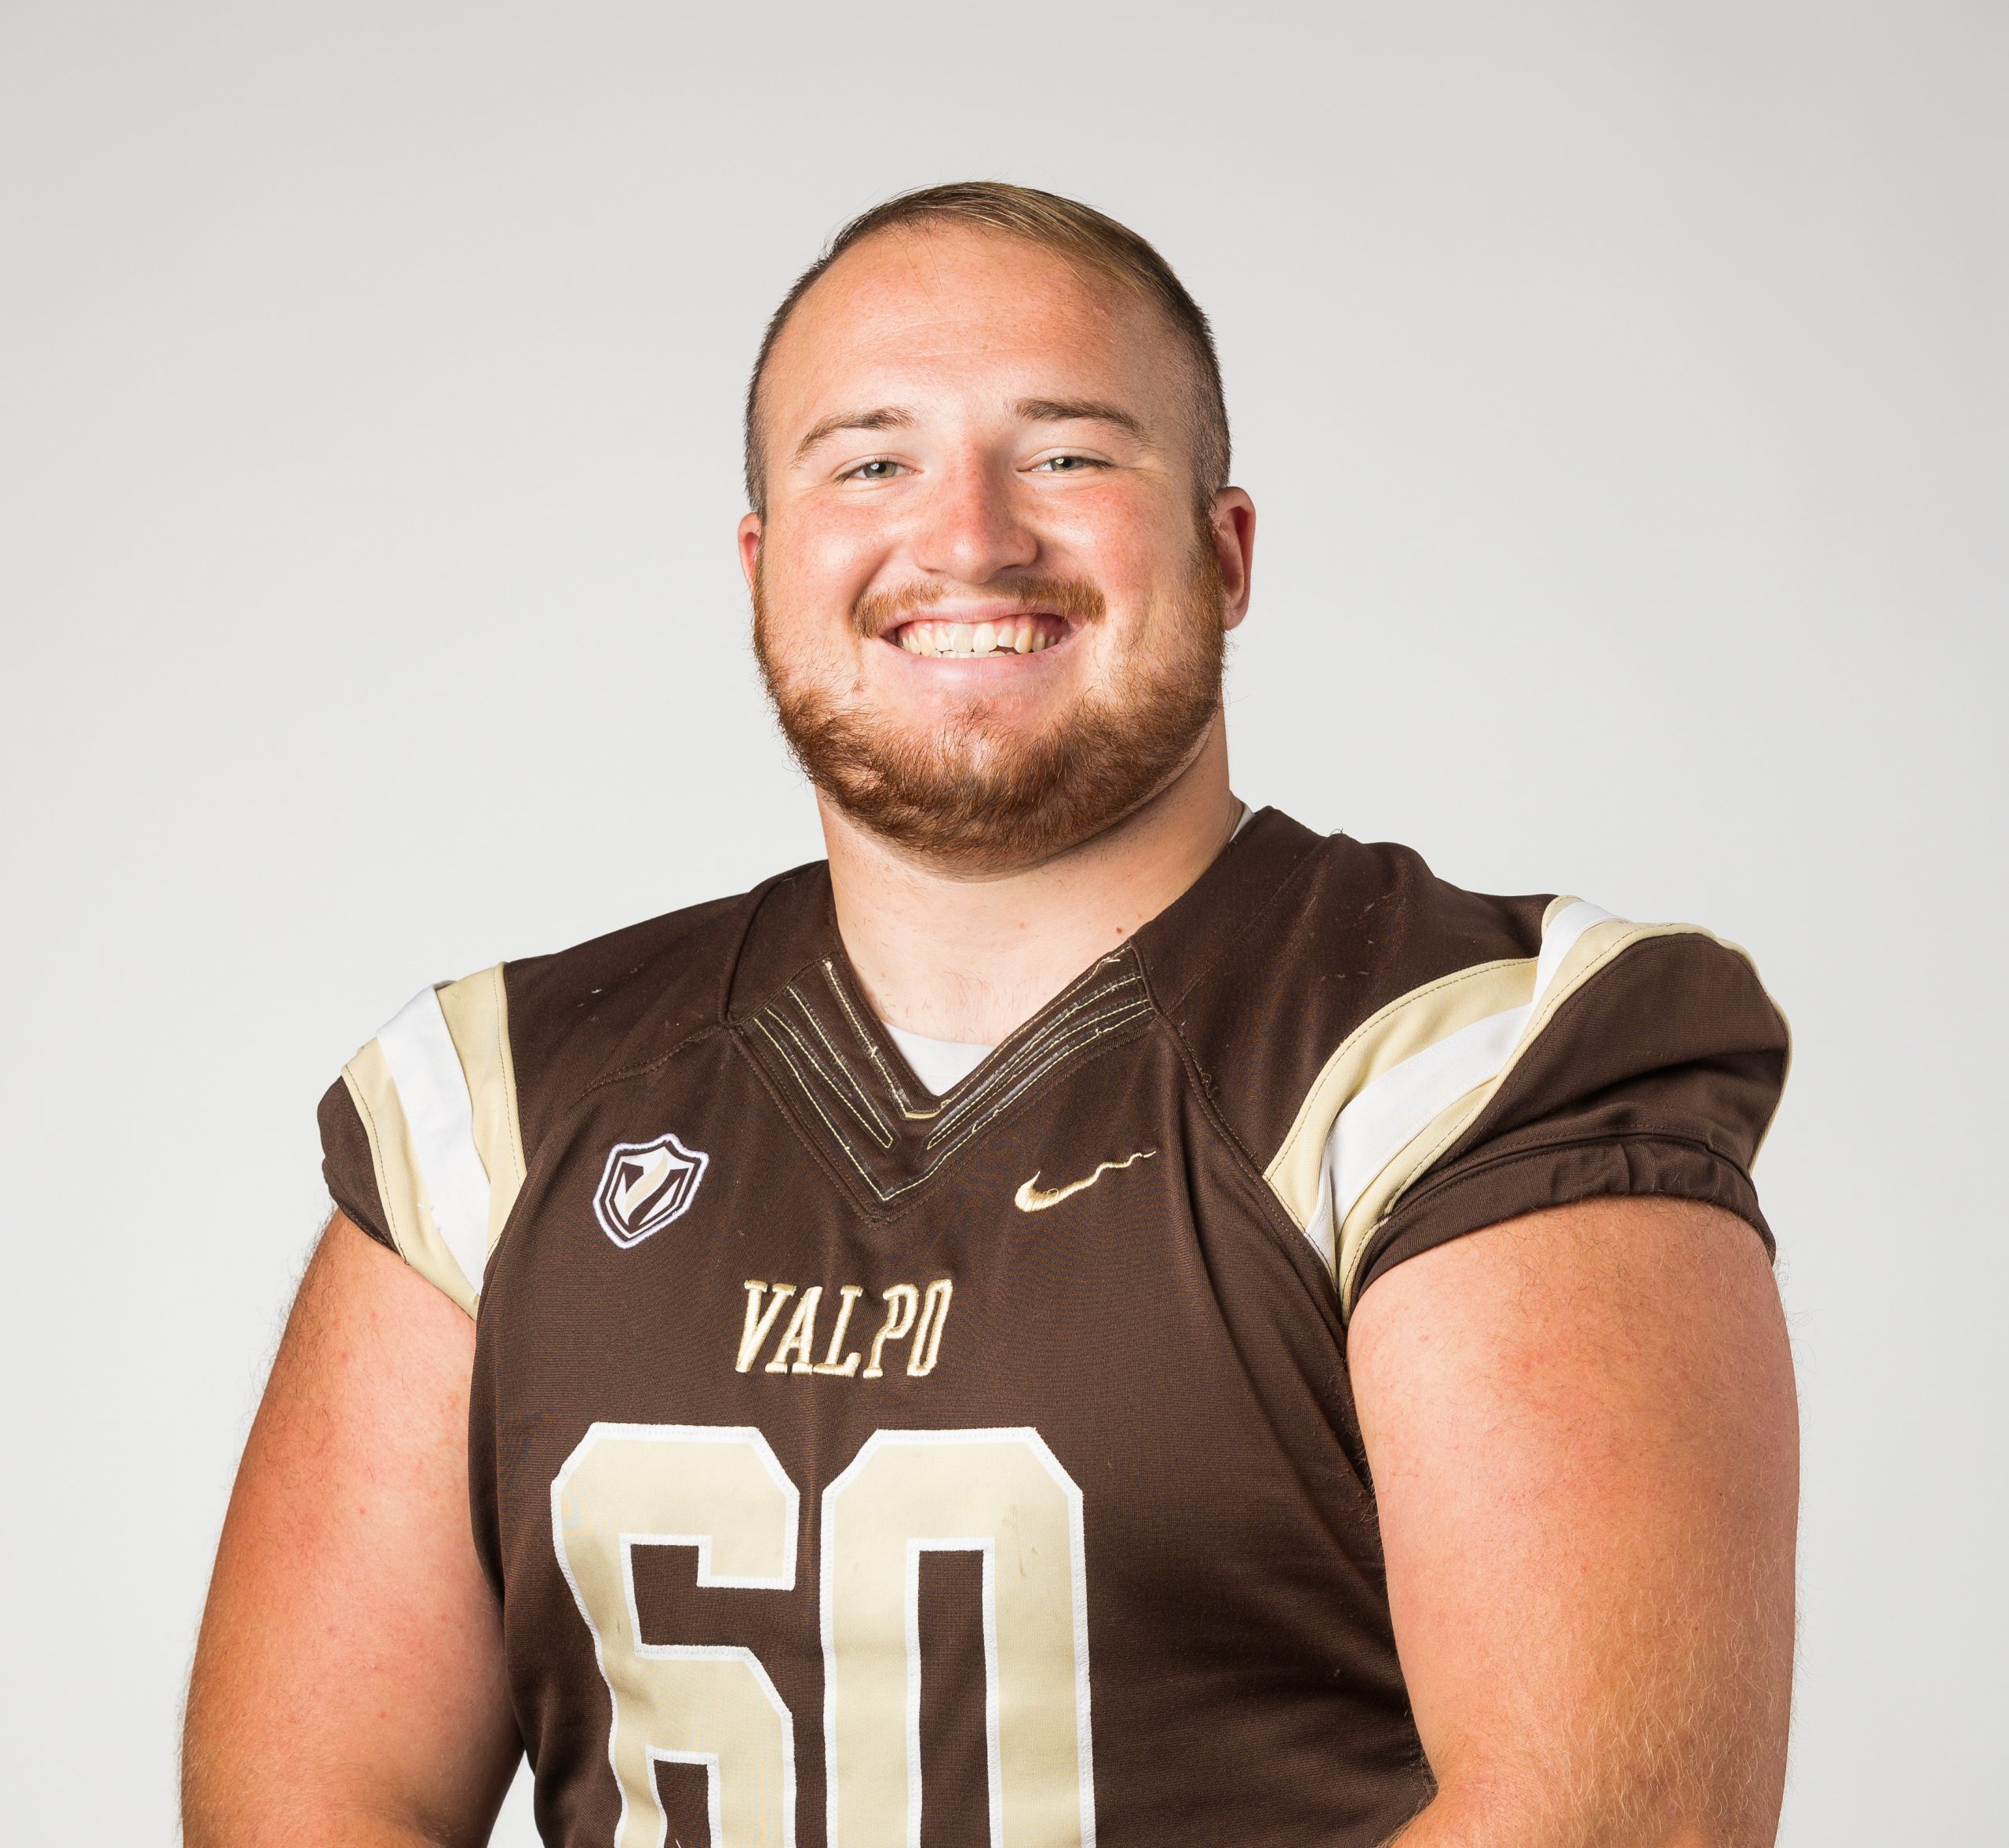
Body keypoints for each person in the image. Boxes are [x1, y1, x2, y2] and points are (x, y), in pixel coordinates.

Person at [183, 183, 1798, 1848]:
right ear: (762, 570)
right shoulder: (507, 1101)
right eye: (869, 461)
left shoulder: (1469, 1058)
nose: (966, 538)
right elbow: (308, 1809)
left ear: (1221, 552)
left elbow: (1603, 1826)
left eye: (1067, 455)